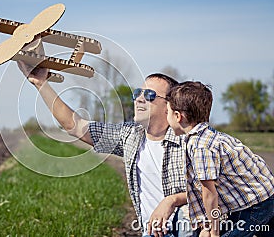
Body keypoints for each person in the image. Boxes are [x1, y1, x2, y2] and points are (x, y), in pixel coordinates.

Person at [18, 61, 192, 237]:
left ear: (169, 106)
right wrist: (41, 84)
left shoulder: (190, 141)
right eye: (138, 93)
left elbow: (215, 188)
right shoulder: (130, 136)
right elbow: (76, 126)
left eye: (149, 95)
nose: (139, 98)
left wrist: (172, 200)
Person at [166, 81, 274, 237]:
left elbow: (209, 194)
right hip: (262, 197)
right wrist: (206, 226)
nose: (166, 117)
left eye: (167, 112)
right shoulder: (205, 136)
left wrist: (214, 232)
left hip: (256, 204)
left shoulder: (201, 147)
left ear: (178, 116)